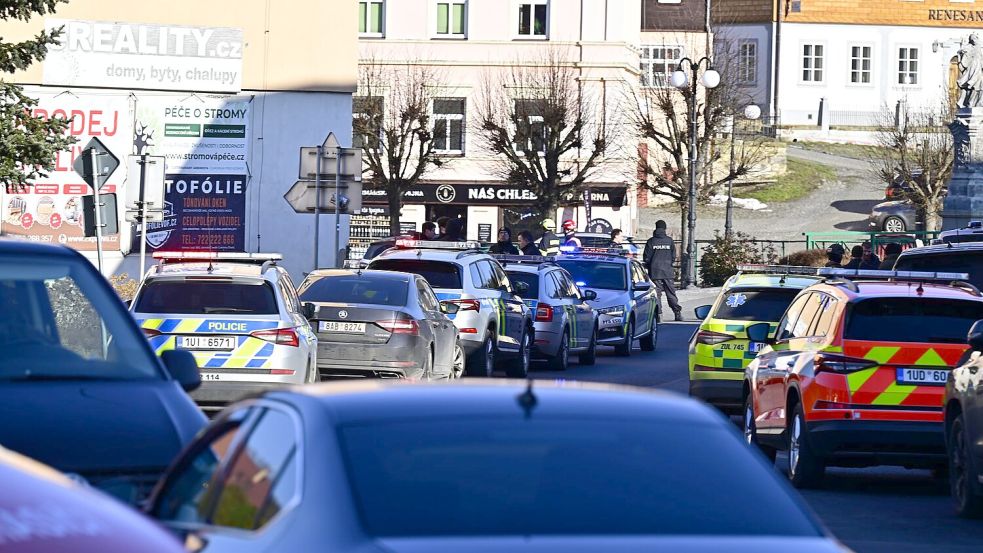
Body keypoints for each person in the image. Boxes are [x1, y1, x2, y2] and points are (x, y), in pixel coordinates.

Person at [643, 220, 682, 322]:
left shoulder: (651, 241)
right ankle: (677, 312)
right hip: (668, 272)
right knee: (671, 293)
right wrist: (669, 264)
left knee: (657, 294)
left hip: (655, 272)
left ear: (655, 228)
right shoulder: (669, 241)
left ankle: (659, 315)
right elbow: (674, 256)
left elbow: (646, 257)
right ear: (665, 228)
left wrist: (650, 266)